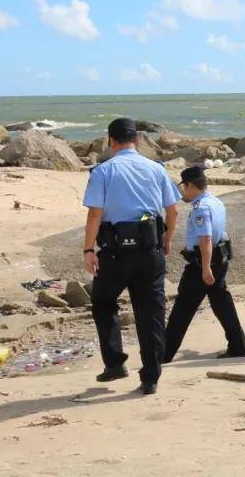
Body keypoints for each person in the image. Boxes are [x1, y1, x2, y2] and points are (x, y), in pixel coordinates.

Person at [83, 117, 178, 396]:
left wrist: (89, 250)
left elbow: (94, 213)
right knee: (151, 314)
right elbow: (172, 210)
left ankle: (114, 362)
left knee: (103, 302)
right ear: (136, 140)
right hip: (150, 250)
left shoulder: (102, 171)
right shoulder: (156, 169)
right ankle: (151, 378)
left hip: (114, 253)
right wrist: (167, 240)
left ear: (110, 140)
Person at [163, 166, 245, 362]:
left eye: (184, 186)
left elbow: (206, 238)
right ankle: (237, 345)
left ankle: (163, 355)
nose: (183, 191)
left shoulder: (201, 208)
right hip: (219, 260)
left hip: (203, 264)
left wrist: (206, 267)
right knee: (222, 305)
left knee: (182, 310)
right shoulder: (215, 201)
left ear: (191, 185)